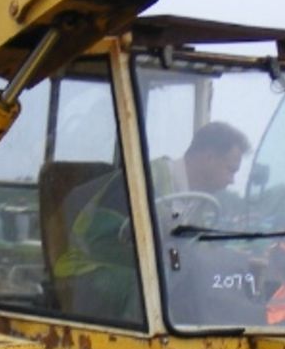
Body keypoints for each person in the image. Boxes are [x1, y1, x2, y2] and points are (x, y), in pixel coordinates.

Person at [53, 122, 251, 320]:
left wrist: (235, 263)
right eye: (230, 169)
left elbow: (179, 252)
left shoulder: (196, 202)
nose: (232, 180)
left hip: (139, 271)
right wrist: (169, 260)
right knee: (151, 292)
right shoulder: (141, 181)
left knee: (198, 287)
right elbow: (100, 243)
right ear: (208, 158)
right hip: (87, 270)